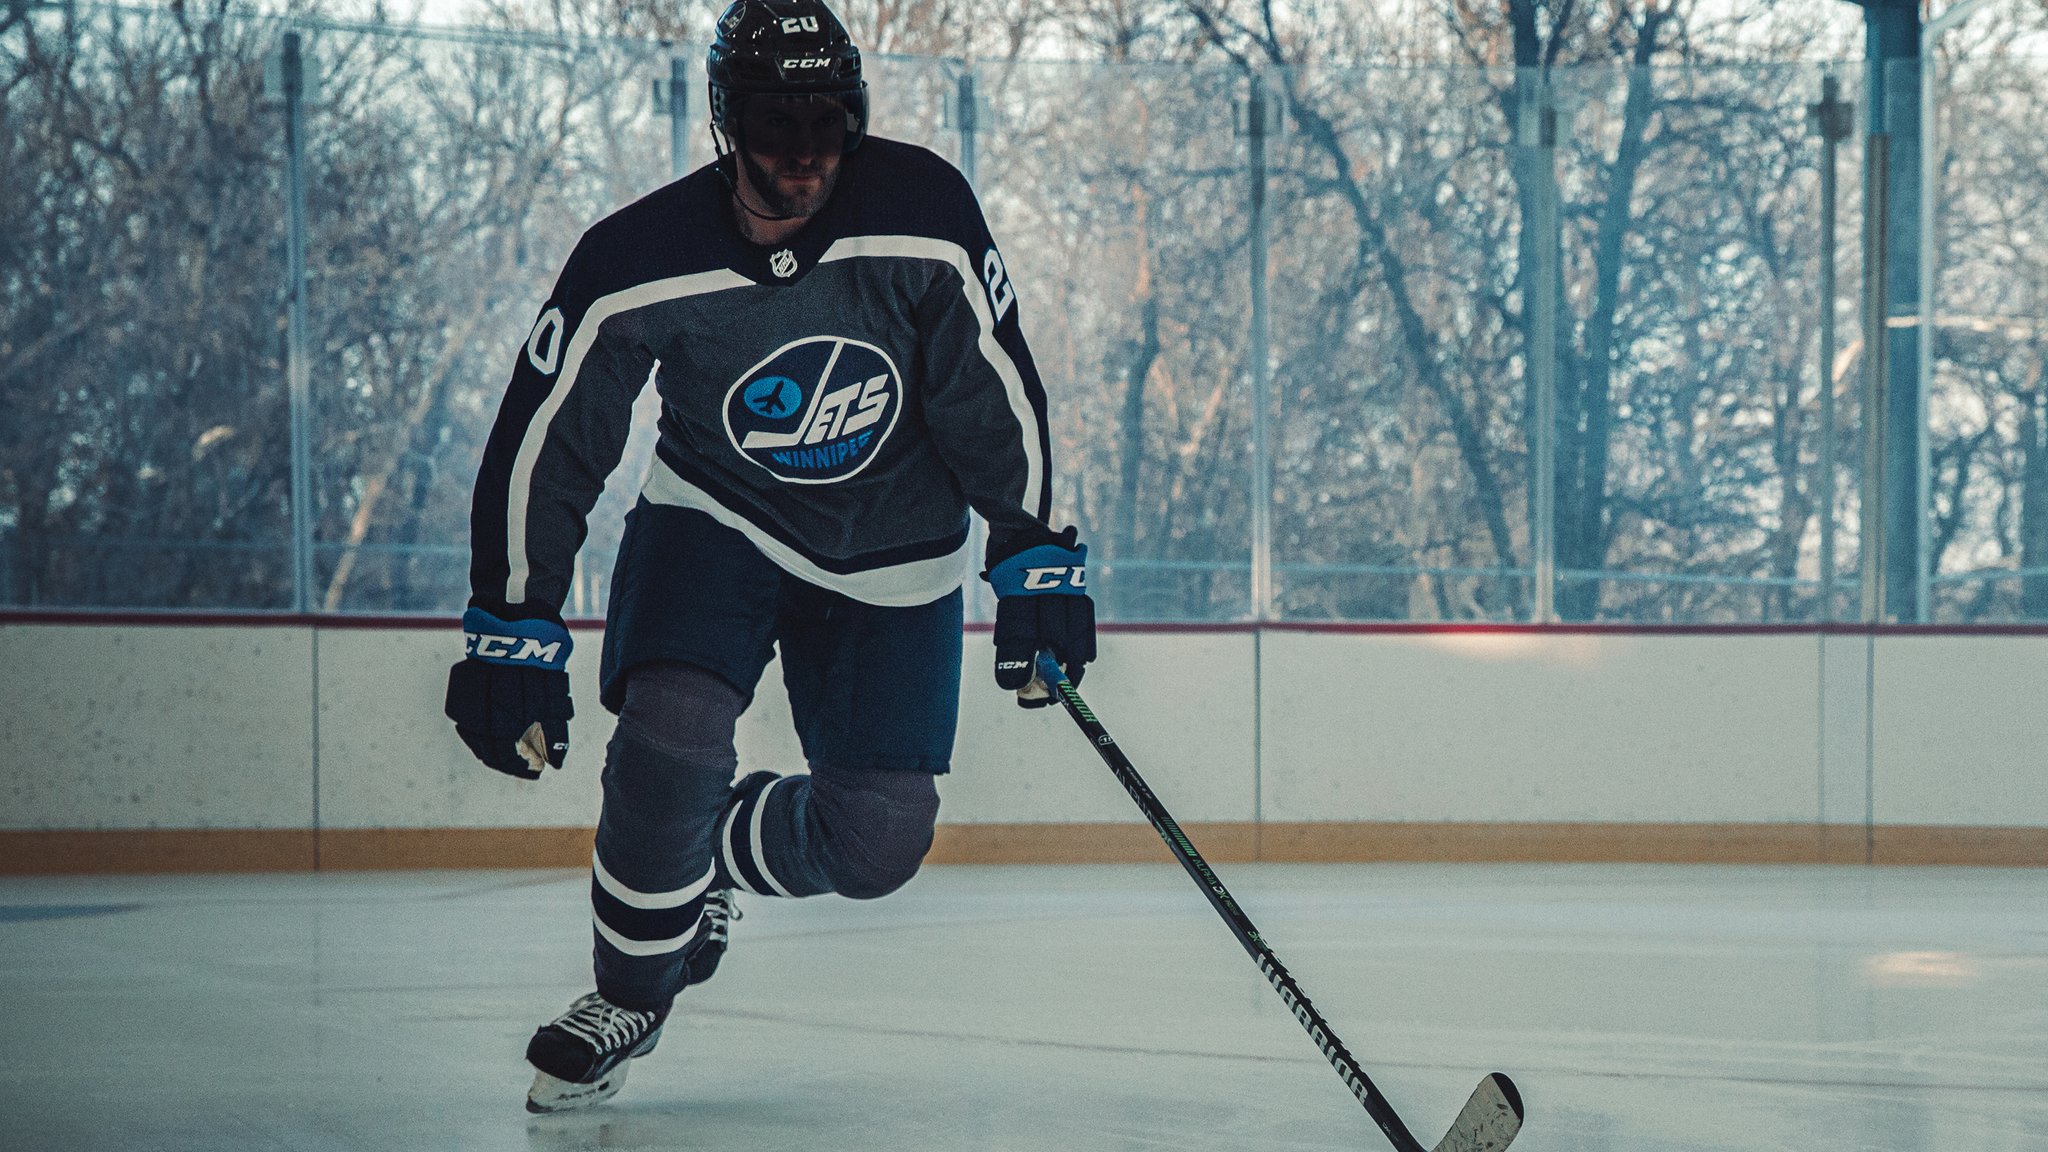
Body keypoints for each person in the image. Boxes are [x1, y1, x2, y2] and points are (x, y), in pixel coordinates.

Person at [441, 0, 1096, 1114]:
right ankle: (631, 993)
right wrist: (514, 614)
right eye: (772, 126)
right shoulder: (635, 259)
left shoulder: (922, 216)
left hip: (894, 549)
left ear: (856, 117)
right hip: (720, 515)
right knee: (671, 732)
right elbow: (552, 437)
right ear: (722, 125)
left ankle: (707, 853)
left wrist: (1031, 552)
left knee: (879, 840)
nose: (802, 159)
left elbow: (991, 393)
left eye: (825, 125)